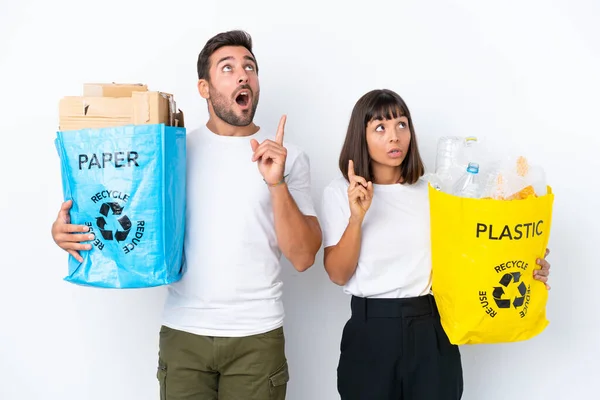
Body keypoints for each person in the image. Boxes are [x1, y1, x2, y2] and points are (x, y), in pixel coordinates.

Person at [50, 30, 322, 400]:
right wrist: (70, 229)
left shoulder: (289, 156)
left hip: (257, 336)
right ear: (204, 88)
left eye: (250, 67)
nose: (243, 75)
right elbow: (124, 212)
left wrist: (277, 184)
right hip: (184, 335)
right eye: (227, 68)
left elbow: (304, 257)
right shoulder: (171, 152)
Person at [319, 88, 552, 399]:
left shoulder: (437, 192)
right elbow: (337, 273)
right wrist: (356, 217)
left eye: (402, 124)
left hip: (431, 327)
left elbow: (476, 252)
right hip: (370, 331)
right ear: (360, 137)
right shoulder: (341, 193)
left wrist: (525, 261)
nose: (395, 136)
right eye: (380, 127)